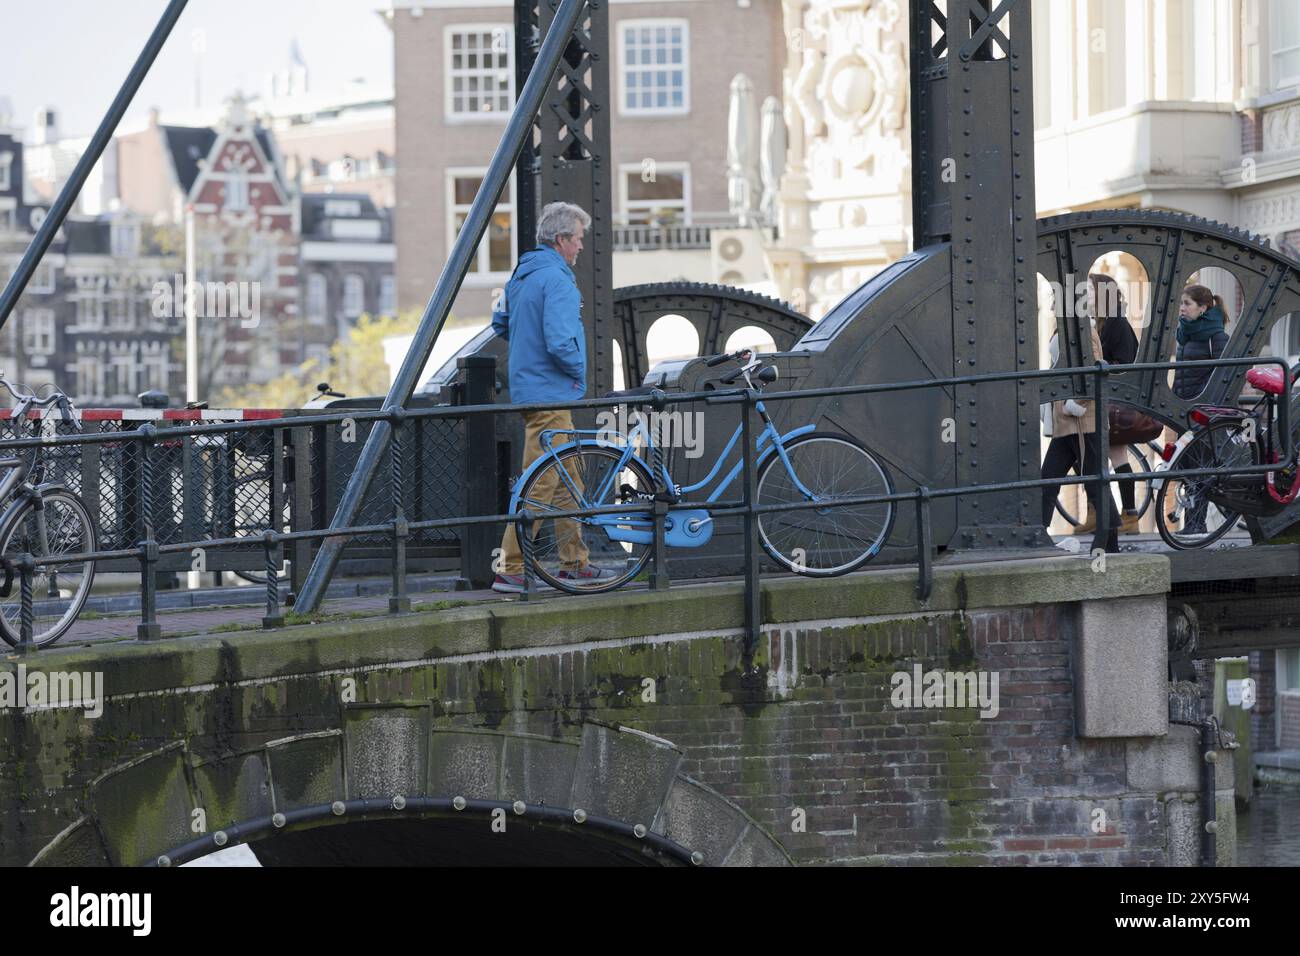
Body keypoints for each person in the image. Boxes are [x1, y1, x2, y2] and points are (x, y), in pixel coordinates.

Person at [490, 201, 613, 594]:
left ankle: (575, 562)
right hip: (551, 391)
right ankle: (510, 566)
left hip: (530, 388)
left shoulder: (522, 275)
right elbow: (561, 340)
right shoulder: (558, 280)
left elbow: (500, 322)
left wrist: (529, 353)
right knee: (542, 479)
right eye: (577, 240)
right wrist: (578, 371)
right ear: (561, 239)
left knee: (566, 475)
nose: (580, 247)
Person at [1040, 316, 1120, 551]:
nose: (1054, 306)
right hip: (1067, 422)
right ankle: (1039, 534)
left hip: (1084, 420)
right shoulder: (1064, 327)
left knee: (1095, 481)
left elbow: (1096, 370)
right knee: (1048, 477)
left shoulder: (1084, 331)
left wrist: (1073, 403)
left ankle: (1110, 541)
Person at [1074, 273, 1142, 535]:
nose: (1086, 296)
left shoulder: (1117, 324)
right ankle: (1116, 515)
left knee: (1111, 458)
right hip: (1105, 400)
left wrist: (1098, 369)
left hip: (1112, 401)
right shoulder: (1101, 322)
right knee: (1104, 458)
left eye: (1090, 291)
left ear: (1102, 294)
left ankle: (1118, 516)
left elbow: (1124, 362)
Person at [1171, 284, 1231, 536]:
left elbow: (1226, 375)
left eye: (1187, 303)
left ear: (1203, 308)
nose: (1182, 308)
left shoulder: (1216, 337)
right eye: (1182, 303)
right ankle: (1193, 522)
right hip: (1184, 407)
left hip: (1203, 411)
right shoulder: (1185, 334)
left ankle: (1197, 523)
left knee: (1200, 465)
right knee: (1187, 466)